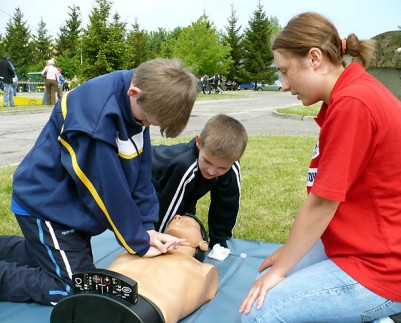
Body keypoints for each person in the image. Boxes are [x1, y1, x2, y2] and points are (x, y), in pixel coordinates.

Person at [240, 12, 401, 322]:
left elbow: (322, 203)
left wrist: (287, 264)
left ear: (314, 58)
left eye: (285, 72)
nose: (284, 85)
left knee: (260, 313)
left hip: (387, 267)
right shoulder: (350, 94)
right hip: (372, 246)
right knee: (267, 276)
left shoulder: (354, 102)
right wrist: (287, 257)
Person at [0, 58, 198, 306]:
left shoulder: (141, 96)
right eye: (147, 121)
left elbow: (141, 172)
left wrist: (147, 227)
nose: (145, 126)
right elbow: (106, 192)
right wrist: (138, 241)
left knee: (56, 259)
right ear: (134, 93)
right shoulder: (95, 118)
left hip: (72, 204)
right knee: (75, 287)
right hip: (46, 204)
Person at [152, 114, 248, 248]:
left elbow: (227, 204)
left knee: (186, 218)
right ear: (198, 142)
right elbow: (167, 207)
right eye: (207, 161)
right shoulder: (184, 165)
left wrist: (219, 241)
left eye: (222, 167)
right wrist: (161, 240)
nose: (212, 171)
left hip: (185, 187)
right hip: (150, 176)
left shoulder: (231, 167)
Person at [108, 214, 218, 323]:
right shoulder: (136, 249)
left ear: (203, 244)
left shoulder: (204, 271)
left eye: (188, 222)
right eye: (174, 219)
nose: (177, 217)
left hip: (143, 312)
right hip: (98, 293)